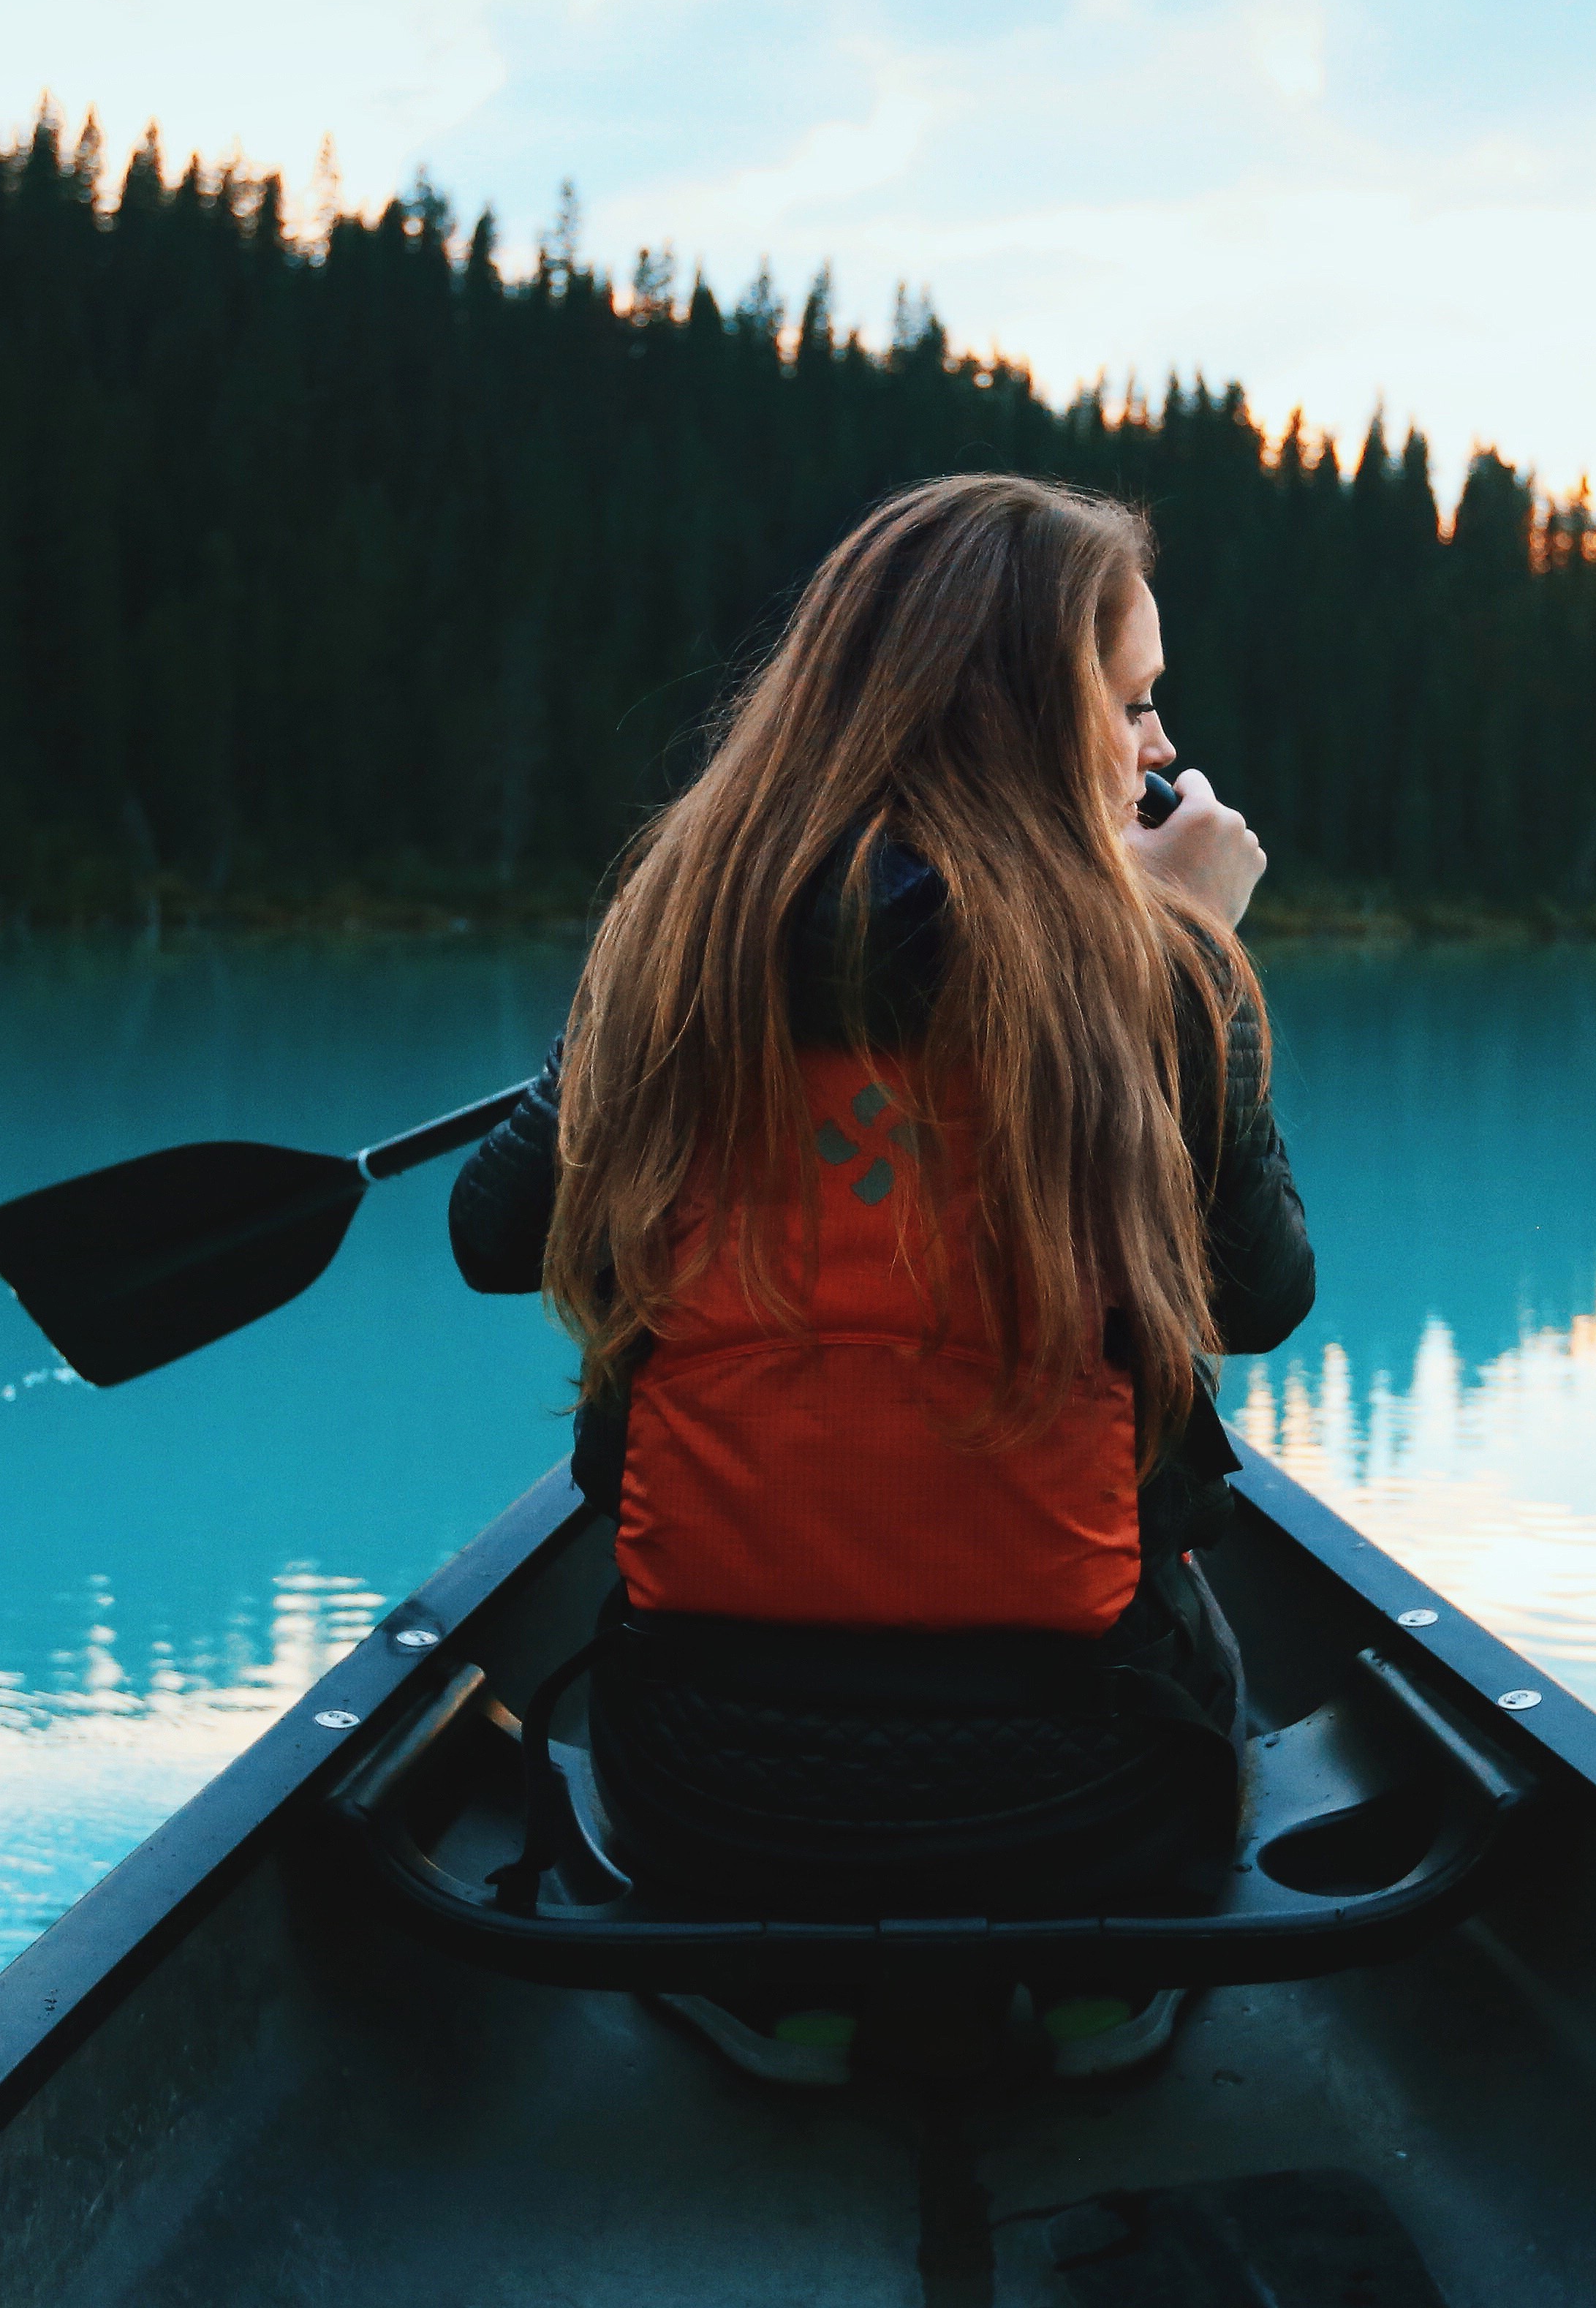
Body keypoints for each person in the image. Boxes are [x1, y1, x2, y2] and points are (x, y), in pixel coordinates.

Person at [447, 472, 1312, 2081]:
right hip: (1085, 1807)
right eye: (1129, 703)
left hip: (712, 1800)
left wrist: (606, 1020)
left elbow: (495, 1238)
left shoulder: (678, 934)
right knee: (1204, 1611)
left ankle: (780, 1995)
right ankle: (1096, 1994)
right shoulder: (1157, 972)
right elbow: (1261, 1301)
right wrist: (1198, 952)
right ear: (1027, 715)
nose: (1161, 750)